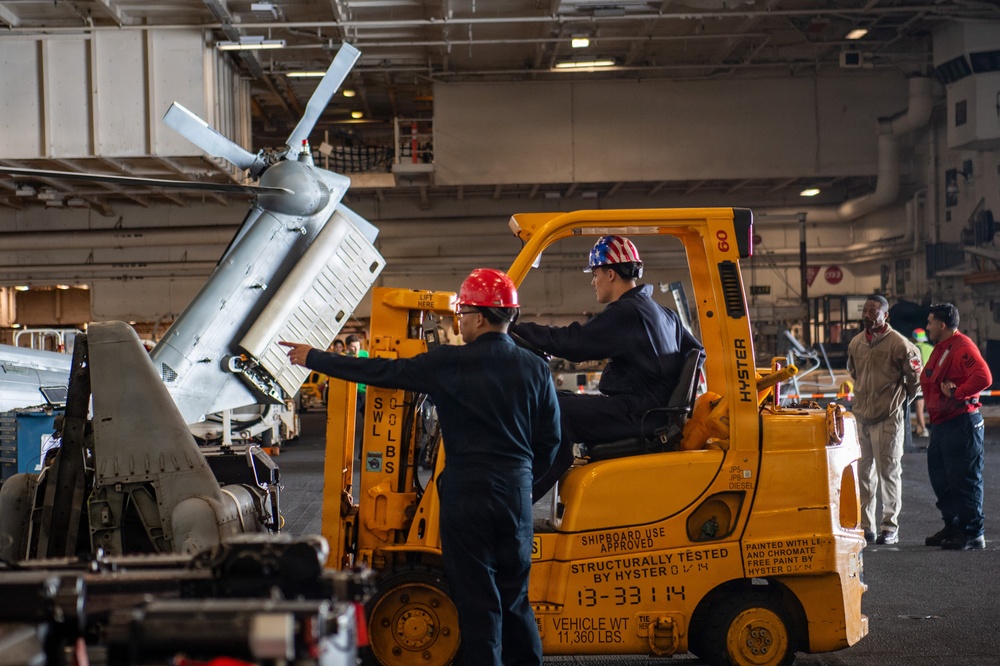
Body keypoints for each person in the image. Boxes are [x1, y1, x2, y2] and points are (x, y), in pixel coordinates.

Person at [281, 268, 560, 666]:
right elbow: (551, 440)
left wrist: (315, 358)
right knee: (515, 599)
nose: (459, 322)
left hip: (468, 494)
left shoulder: (448, 363)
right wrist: (524, 483)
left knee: (479, 603)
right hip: (515, 494)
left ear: (479, 317)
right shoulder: (535, 368)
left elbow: (381, 372)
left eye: (462, 314)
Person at [509, 235, 702, 501]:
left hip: (639, 414)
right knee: (554, 399)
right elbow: (697, 351)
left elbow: (575, 343)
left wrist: (515, 328)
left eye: (595, 273)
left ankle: (516, 499)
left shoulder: (627, 312)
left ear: (610, 274)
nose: (593, 281)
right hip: (651, 411)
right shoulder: (663, 313)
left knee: (552, 409)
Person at [846, 296, 922, 546]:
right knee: (864, 476)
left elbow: (915, 380)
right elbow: (854, 373)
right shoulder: (856, 343)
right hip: (862, 419)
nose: (868, 315)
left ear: (885, 316)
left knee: (888, 474)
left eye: (874, 311)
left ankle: (889, 527)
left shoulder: (900, 344)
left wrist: (899, 404)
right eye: (866, 310)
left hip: (888, 419)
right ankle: (866, 526)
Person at [920, 303, 992, 550]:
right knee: (942, 479)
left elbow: (984, 377)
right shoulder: (942, 347)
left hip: (961, 423)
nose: (927, 327)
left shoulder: (962, 347)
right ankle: (954, 526)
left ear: (941, 325)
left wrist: (959, 393)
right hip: (942, 425)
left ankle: (973, 533)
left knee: (965, 480)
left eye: (930, 323)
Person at [345, 334, 368, 455]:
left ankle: (363, 453)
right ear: (348, 347)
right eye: (353, 347)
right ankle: (346, 450)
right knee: (348, 423)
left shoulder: (365, 355)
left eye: (358, 346)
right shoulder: (346, 359)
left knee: (368, 424)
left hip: (365, 393)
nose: (356, 350)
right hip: (353, 393)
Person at [911, 328, 934, 437]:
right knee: (932, 406)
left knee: (919, 406)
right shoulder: (932, 348)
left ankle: (923, 429)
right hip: (933, 380)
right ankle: (934, 428)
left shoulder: (914, 349)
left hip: (921, 380)